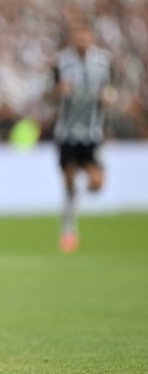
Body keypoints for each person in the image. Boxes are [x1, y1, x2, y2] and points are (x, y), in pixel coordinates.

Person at [49, 22, 116, 253]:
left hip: (92, 131)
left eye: (86, 36)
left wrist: (109, 98)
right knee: (68, 180)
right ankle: (68, 230)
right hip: (67, 130)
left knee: (97, 184)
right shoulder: (61, 61)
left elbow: (112, 89)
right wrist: (59, 92)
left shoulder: (104, 61)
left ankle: (76, 198)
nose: (82, 40)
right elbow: (49, 94)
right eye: (78, 36)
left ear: (91, 37)